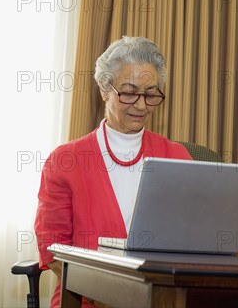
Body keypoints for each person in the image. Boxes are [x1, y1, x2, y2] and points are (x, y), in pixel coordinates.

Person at [34, 36, 192, 307]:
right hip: (86, 300)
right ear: (104, 88)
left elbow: (195, 236)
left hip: (162, 298)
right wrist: (103, 295)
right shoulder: (65, 161)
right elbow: (53, 250)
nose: (141, 106)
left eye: (151, 94)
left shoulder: (177, 157)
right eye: (129, 92)